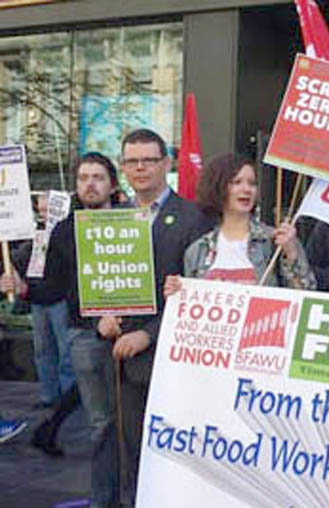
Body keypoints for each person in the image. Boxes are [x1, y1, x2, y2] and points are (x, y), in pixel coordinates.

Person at [96, 129, 213, 505]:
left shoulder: (195, 220)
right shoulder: (109, 219)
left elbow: (197, 295)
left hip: (169, 361)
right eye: (132, 161)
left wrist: (148, 335)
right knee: (127, 456)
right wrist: (101, 316)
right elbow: (95, 284)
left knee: (167, 459)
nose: (141, 167)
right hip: (119, 361)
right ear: (123, 167)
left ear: (167, 163)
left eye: (149, 159)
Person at [45, 152, 122, 501]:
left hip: (132, 334)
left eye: (98, 177)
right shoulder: (64, 231)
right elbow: (54, 287)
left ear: (113, 184)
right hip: (85, 336)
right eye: (83, 178)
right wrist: (22, 287)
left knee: (132, 422)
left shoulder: (132, 224)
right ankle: (104, 498)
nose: (90, 184)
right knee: (101, 425)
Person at [166, 152, 315, 290]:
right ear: (218, 187)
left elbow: (305, 294)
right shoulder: (198, 250)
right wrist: (177, 291)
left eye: (252, 183)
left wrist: (291, 253)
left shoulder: (274, 241)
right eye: (236, 182)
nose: (246, 189)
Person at [2, 193, 74, 410]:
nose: (44, 215)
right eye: (41, 211)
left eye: (47, 210)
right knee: (43, 351)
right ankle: (49, 396)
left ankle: (66, 399)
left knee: (65, 353)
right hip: (39, 299)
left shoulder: (68, 233)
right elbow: (20, 260)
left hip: (60, 298)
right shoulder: (37, 234)